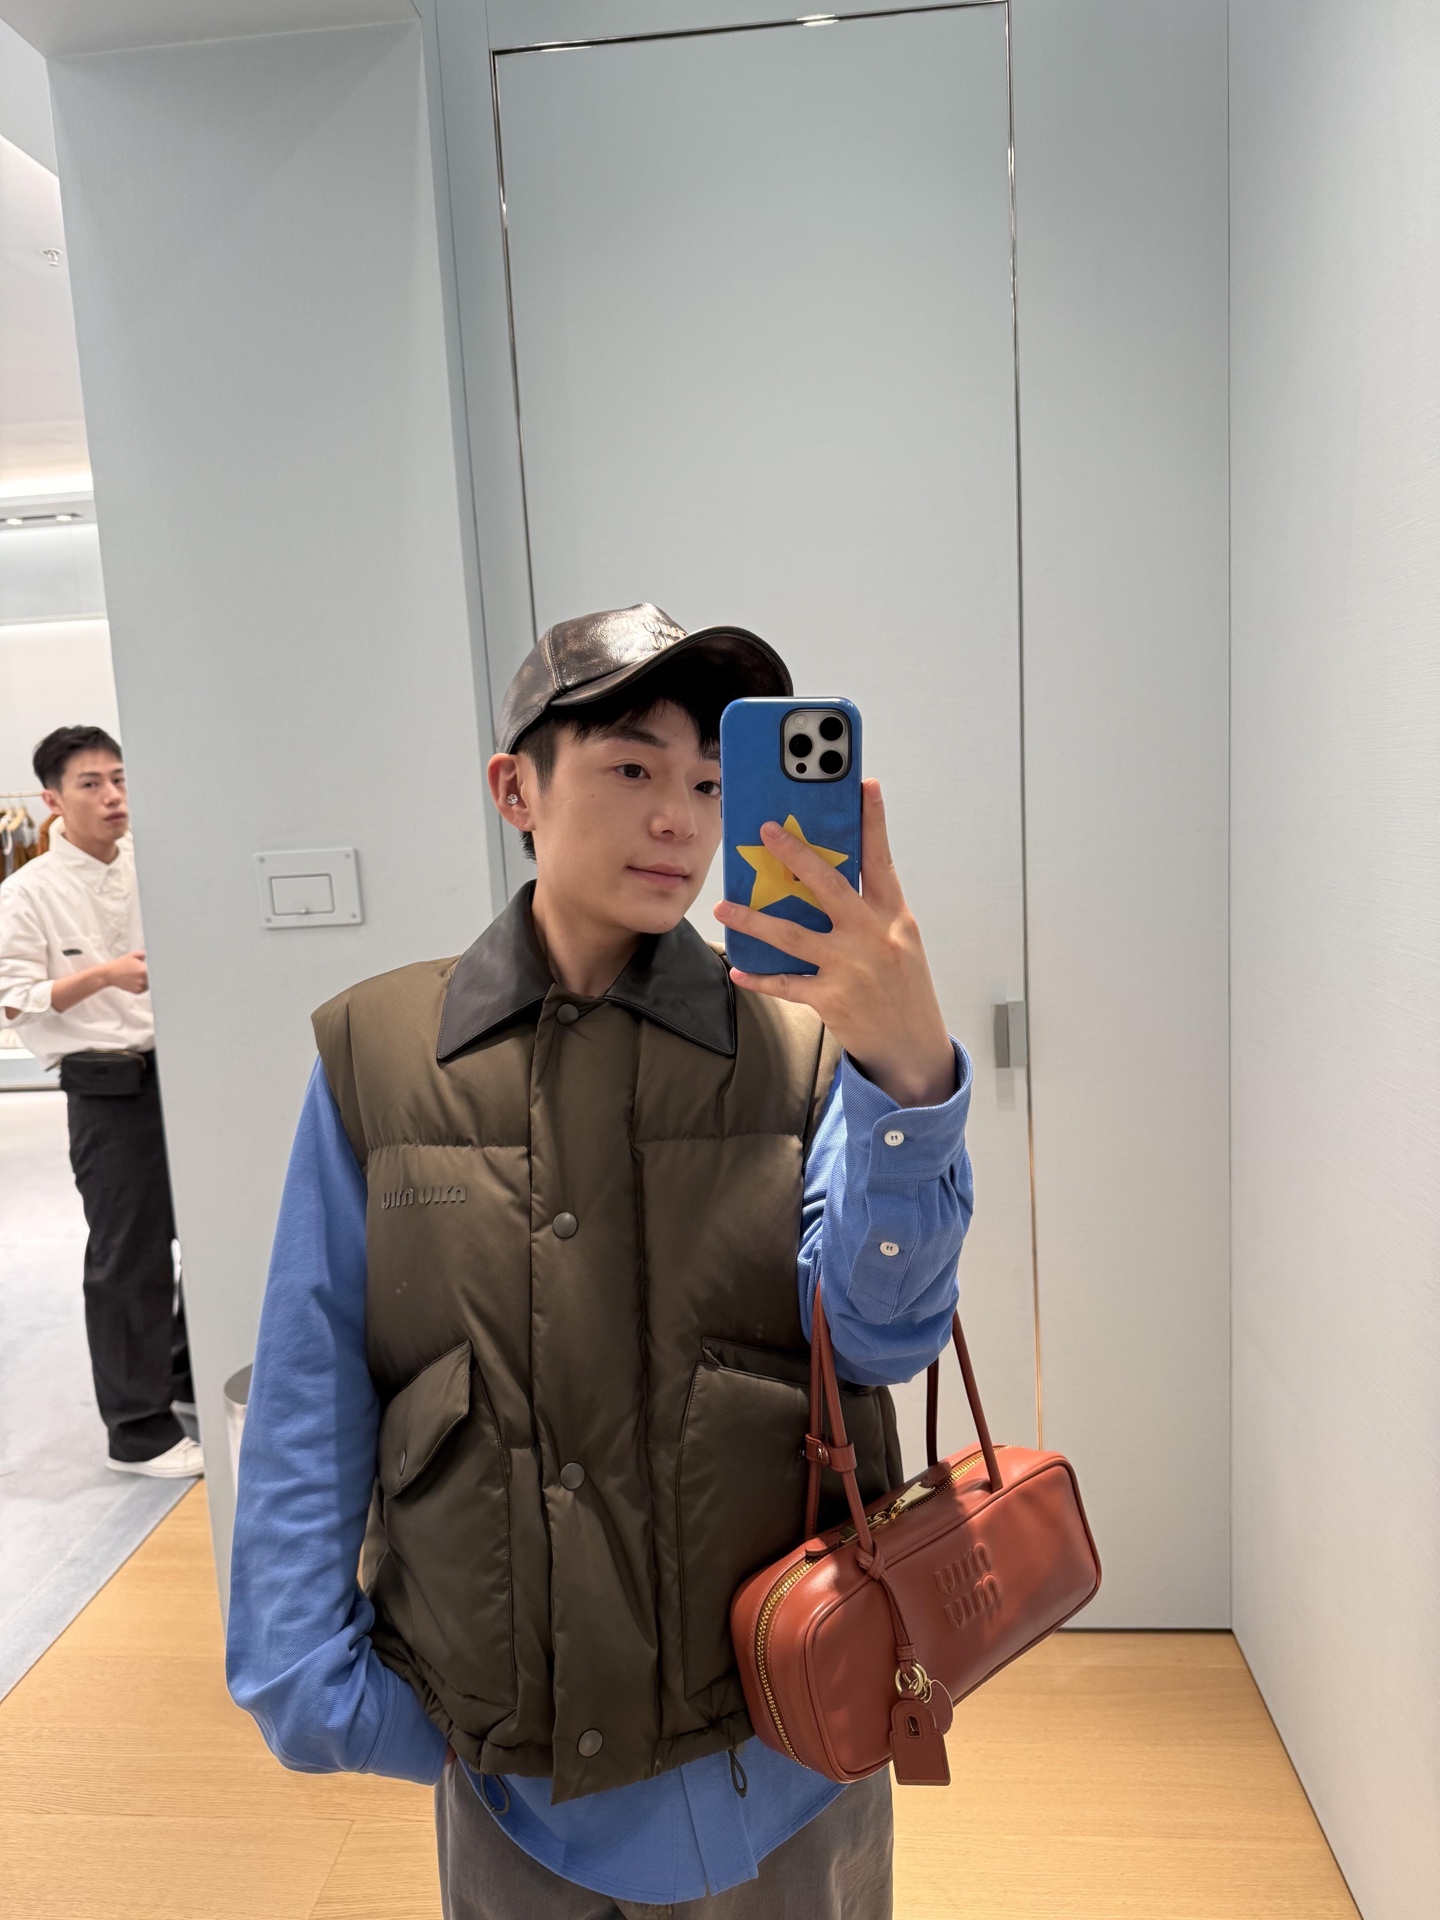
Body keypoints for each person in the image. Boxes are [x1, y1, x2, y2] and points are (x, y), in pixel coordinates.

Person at [227, 606, 973, 1918]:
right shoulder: (381, 1053)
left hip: (785, 1746)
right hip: (509, 1766)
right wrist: (314, 1688)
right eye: (632, 767)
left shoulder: (802, 1046)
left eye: (709, 782)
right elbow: (311, 1383)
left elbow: (879, 1337)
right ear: (516, 789)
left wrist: (908, 1078)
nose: (678, 818)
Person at [0, 726, 201, 1479]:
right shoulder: (27, 893)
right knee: (128, 1256)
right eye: (91, 784)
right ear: (51, 800)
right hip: (107, 1089)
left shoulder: (153, 868)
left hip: (184, 1075)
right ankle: (137, 1433)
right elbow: (12, 999)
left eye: (118, 779)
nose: (113, 796)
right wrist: (104, 976)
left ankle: (181, 1376)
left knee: (205, 1235)